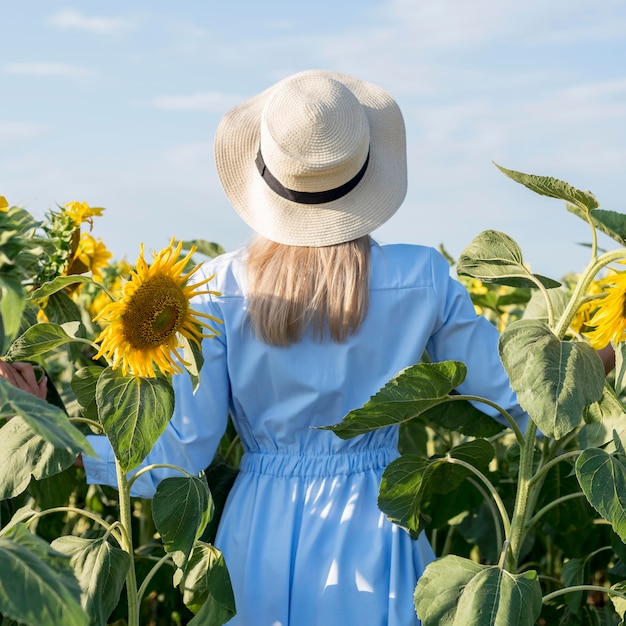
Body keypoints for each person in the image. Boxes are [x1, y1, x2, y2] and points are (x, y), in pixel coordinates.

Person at [1, 70, 529, 626]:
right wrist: (599, 357)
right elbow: (512, 395)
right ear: (366, 169)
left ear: (267, 174)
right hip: (378, 518)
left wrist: (60, 434)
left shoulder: (218, 286)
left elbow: (181, 453)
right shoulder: (422, 277)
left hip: (260, 526)